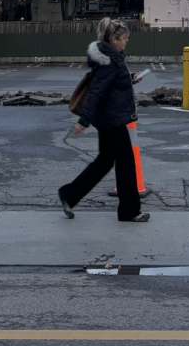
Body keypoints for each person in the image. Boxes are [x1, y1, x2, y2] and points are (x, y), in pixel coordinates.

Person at [58, 17, 148, 222]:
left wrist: (132, 77)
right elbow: (96, 92)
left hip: (110, 118)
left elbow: (113, 83)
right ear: (114, 40)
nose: (127, 41)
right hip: (112, 120)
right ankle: (129, 210)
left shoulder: (112, 57)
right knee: (126, 163)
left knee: (105, 162)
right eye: (124, 38)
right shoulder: (108, 61)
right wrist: (84, 120)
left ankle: (69, 195)